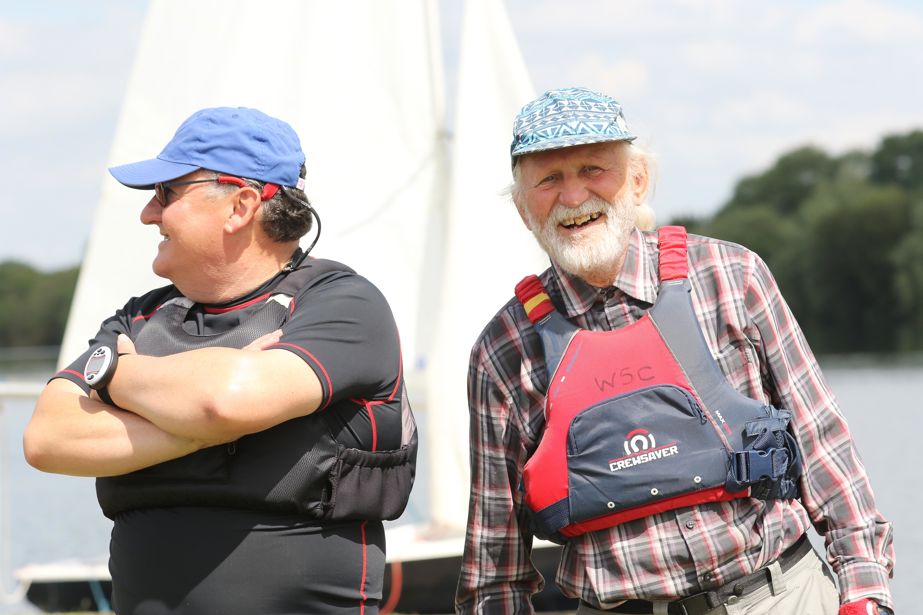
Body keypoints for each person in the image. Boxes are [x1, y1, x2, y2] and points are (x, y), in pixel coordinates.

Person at [456, 87, 894, 615]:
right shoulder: (502, 352)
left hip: (781, 595)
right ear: (524, 209)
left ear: (638, 181)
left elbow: (822, 443)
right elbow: (494, 572)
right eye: (549, 179)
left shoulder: (732, 277)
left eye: (593, 169)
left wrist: (864, 591)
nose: (573, 196)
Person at [24, 107, 417, 615]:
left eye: (167, 192)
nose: (148, 214)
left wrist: (119, 374)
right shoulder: (140, 317)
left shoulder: (342, 304)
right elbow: (47, 438)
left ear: (241, 205)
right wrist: (203, 428)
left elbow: (225, 402)